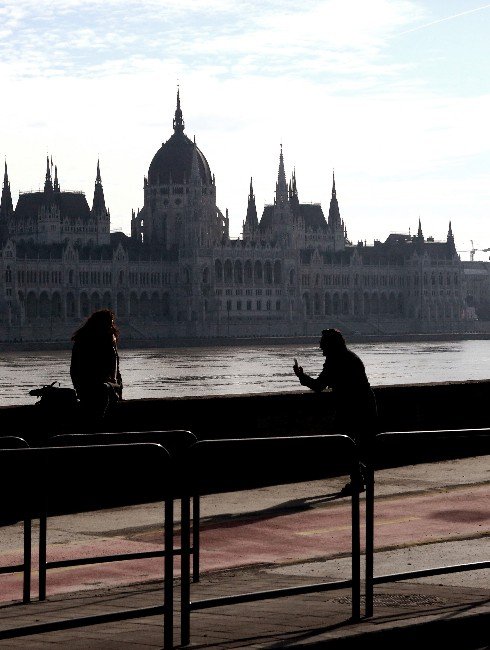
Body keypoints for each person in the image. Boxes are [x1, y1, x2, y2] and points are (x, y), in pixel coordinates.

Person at [293, 328, 378, 495]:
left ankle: (357, 480)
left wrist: (301, 377)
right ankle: (365, 475)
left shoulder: (336, 360)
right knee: (355, 444)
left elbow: (319, 386)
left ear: (330, 345)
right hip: (364, 402)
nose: (321, 348)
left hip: (354, 405)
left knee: (344, 443)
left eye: (323, 345)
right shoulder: (350, 356)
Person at [70, 309, 123, 421]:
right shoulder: (108, 340)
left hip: (84, 389)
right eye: (111, 323)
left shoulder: (81, 339)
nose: (112, 326)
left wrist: (79, 390)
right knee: (104, 389)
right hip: (100, 388)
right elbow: (115, 371)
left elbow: (74, 370)